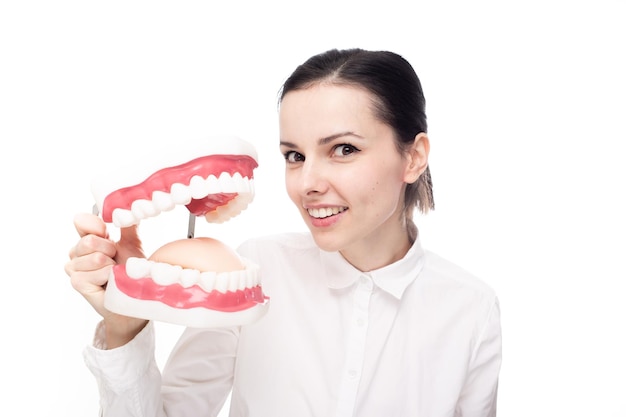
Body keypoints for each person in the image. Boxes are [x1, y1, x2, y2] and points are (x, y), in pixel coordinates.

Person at [65, 48, 502, 417]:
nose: (307, 182)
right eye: (294, 156)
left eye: (343, 149)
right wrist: (123, 327)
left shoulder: (471, 309)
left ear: (414, 157)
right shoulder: (250, 271)